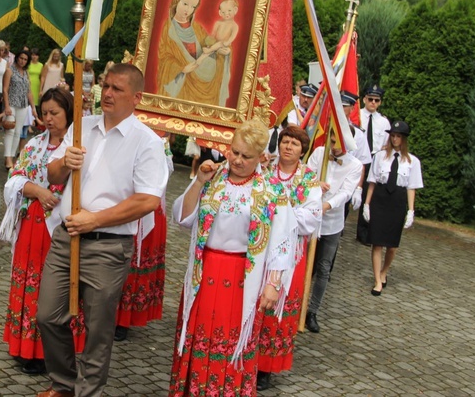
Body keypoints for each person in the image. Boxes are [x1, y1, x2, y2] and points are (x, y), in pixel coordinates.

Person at [36, 63, 168, 397]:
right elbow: (52, 176)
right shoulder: (83, 127)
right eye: (106, 86)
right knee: (48, 316)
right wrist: (64, 163)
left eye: (117, 89)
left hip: (108, 246)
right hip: (67, 238)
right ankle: (64, 383)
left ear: (136, 97)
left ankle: (88, 392)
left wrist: (95, 219)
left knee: (97, 329)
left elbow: (148, 200)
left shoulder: (147, 142)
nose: (107, 93)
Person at [169, 119, 297, 396]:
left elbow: (282, 241)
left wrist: (273, 284)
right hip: (205, 271)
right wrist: (198, 182)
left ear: (261, 157)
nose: (237, 160)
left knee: (233, 338)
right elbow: (182, 217)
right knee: (199, 332)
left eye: (246, 156)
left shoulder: (272, 191)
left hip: (243, 276)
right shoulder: (212, 178)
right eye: (234, 152)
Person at [0, 88, 85, 376]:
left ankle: (54, 352)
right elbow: (15, 178)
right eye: (44, 113)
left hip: (63, 226)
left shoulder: (81, 146)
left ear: (68, 113)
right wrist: (36, 190)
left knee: (56, 288)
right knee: (29, 284)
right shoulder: (35, 144)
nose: (48, 118)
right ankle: (26, 349)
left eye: (55, 113)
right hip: (33, 225)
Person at [256, 125, 322, 391]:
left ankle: (266, 368)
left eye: (295, 143)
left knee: (278, 310)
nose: (288, 146)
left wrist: (283, 212)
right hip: (260, 245)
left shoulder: (308, 179)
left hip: (290, 254)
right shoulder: (266, 170)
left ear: (302, 150)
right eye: (285, 141)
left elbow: (312, 217)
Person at [114, 130, 174, 342]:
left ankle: (125, 316)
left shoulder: (158, 142)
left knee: (135, 261)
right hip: (119, 200)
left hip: (146, 208)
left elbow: (161, 176)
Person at [303, 129, 362, 334]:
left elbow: (346, 192)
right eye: (332, 140)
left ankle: (312, 311)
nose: (335, 145)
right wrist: (314, 184)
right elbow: (305, 175)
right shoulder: (319, 153)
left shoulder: (355, 165)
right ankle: (297, 306)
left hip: (331, 222)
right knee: (303, 264)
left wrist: (326, 206)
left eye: (339, 141)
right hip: (309, 217)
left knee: (324, 267)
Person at [363, 120, 423, 296]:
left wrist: (411, 211)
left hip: (397, 200)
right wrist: (367, 204)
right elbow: (372, 181)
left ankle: (384, 271)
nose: (395, 139)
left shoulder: (412, 161)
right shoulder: (380, 157)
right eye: (393, 136)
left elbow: (411, 187)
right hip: (380, 199)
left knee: (392, 246)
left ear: (404, 139)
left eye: (399, 136)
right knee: (377, 243)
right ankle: (376, 280)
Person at [157, 0, 231, 107]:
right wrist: (181, 68)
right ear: (176, 1)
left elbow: (207, 48)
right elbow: (164, 58)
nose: (188, 9)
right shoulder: (167, 29)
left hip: (202, 79)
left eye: (193, 6)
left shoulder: (197, 28)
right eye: (185, 4)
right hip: (183, 82)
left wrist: (222, 52)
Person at [356, 84, 391, 243]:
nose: (373, 103)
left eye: (377, 100)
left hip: (373, 160)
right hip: (357, 158)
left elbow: (385, 144)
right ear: (364, 99)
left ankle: (363, 233)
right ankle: (339, 227)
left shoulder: (384, 123)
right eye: (370, 99)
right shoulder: (357, 116)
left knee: (367, 198)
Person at [3, 50, 40, 170]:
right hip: (12, 103)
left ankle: (12, 157)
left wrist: (33, 108)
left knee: (18, 132)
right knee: (10, 130)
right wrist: (7, 106)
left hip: (23, 105)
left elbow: (29, 92)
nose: (22, 61)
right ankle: (7, 157)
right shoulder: (9, 70)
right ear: (17, 58)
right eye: (21, 58)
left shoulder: (26, 73)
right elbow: (5, 89)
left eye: (25, 59)